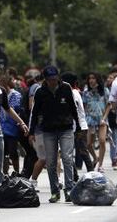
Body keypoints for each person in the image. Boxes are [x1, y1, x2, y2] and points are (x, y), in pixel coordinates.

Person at [29, 65, 79, 203]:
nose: (53, 81)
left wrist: (79, 127)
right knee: (51, 162)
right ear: (45, 79)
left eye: (55, 78)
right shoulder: (40, 92)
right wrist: (31, 131)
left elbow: (73, 108)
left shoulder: (66, 88)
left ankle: (69, 189)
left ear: (58, 77)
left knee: (67, 158)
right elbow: (35, 112)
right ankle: (55, 192)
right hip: (48, 130)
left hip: (66, 128)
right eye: (50, 79)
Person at [82, 72, 109, 173]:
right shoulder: (85, 92)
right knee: (88, 144)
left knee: (102, 140)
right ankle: (95, 157)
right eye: (90, 78)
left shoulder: (105, 91)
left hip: (102, 119)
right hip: (90, 119)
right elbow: (84, 107)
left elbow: (109, 105)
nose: (91, 80)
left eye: (93, 78)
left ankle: (101, 165)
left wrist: (104, 117)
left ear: (98, 79)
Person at [0, 75, 22, 175]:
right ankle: (5, 174)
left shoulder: (16, 95)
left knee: (13, 152)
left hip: (12, 128)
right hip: (1, 127)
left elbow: (16, 109)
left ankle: (17, 172)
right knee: (3, 153)